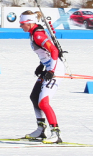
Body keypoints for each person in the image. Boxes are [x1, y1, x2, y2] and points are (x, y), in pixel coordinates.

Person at [19, 10, 65, 143]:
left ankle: (56, 134)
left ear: (29, 23)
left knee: (43, 102)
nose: (21, 26)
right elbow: (45, 53)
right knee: (34, 97)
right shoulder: (33, 33)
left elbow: (54, 51)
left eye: (22, 24)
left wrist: (52, 70)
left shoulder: (38, 35)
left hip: (55, 70)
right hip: (49, 68)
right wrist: (41, 65)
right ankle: (40, 130)